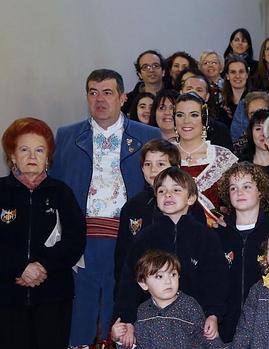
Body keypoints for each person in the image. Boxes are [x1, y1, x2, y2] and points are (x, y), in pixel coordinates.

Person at [50, 69, 160, 347]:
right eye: (93, 92)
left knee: (123, 304)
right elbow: (57, 189)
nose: (99, 99)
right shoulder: (66, 136)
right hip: (81, 237)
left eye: (107, 92)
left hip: (131, 236)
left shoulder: (149, 135)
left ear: (123, 98)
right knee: (81, 309)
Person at [114, 167, 229, 347]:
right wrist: (126, 320)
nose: (168, 195)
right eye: (162, 191)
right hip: (151, 322)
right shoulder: (145, 237)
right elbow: (128, 282)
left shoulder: (206, 237)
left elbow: (217, 280)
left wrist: (213, 314)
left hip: (193, 324)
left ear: (191, 198)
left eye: (176, 190)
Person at [0, 117, 86, 349]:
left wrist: (42, 266)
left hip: (54, 295)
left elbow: (75, 240)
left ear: (48, 157)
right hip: (7, 297)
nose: (32, 157)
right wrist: (21, 267)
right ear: (12, 156)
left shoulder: (61, 192)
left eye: (39, 150)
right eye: (24, 150)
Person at [113, 139, 205, 289]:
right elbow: (122, 256)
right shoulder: (132, 207)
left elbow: (199, 254)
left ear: (176, 168)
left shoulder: (190, 206)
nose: (153, 170)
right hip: (141, 290)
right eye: (147, 164)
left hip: (182, 288)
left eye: (161, 164)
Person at [214, 162, 269, 343]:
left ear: (261, 192)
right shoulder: (217, 235)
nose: (239, 192)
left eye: (247, 186)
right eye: (233, 188)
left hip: (264, 327)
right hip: (225, 327)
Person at [111, 250, 222, 349]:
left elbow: (210, 341)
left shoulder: (189, 306)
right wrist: (119, 339)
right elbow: (137, 345)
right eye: (159, 276)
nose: (168, 281)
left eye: (173, 274)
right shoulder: (142, 312)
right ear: (143, 284)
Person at [173, 92, 238, 227]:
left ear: (204, 119)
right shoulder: (164, 155)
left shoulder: (223, 157)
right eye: (180, 115)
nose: (186, 121)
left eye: (194, 115)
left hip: (214, 236)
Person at [178, 73, 233, 150]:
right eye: (189, 89)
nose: (193, 93)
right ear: (181, 93)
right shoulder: (172, 123)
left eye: (199, 90)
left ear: (207, 97)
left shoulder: (220, 130)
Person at [123, 50, 165, 115]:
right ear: (139, 74)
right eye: (145, 67)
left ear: (163, 71)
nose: (151, 70)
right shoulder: (127, 101)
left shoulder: (174, 97)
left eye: (155, 66)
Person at [222, 56, 250, 124]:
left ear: (247, 75)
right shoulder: (222, 104)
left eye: (241, 72)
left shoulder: (255, 100)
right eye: (233, 72)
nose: (237, 76)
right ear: (227, 76)